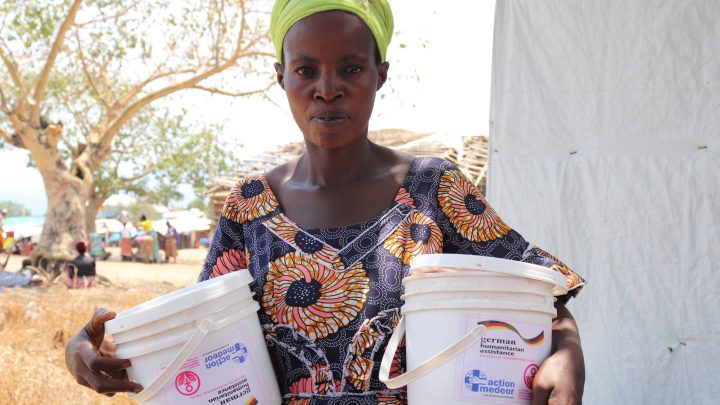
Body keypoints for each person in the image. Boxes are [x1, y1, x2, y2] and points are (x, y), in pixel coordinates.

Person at [65, 1, 586, 403]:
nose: (327, 89)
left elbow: (544, 292)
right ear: (281, 77)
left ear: (381, 73)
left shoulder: (433, 189)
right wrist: (88, 352)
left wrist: (569, 353)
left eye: (351, 69)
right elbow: (200, 337)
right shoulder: (251, 206)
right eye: (306, 70)